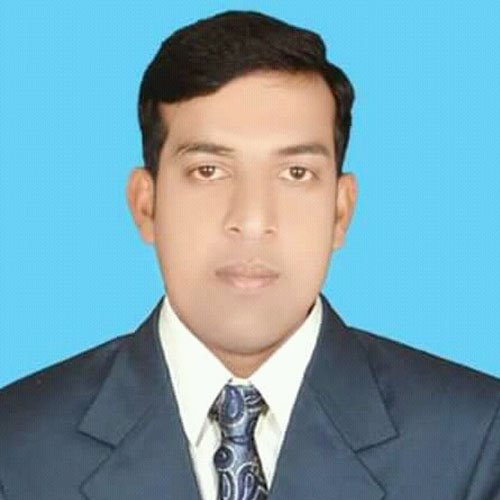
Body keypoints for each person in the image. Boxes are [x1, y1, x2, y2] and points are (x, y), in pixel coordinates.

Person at [0, 10, 499, 500]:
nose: (252, 219)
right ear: (146, 204)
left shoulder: (475, 440)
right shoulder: (17, 446)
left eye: (296, 173)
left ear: (340, 211)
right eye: (209, 171)